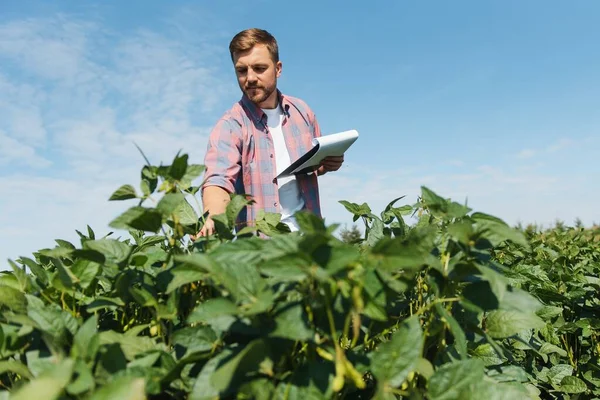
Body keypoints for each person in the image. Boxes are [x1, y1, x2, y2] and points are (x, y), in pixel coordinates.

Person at [193, 28, 344, 238]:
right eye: (242, 70)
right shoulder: (230, 126)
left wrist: (327, 164)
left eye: (259, 68)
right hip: (264, 251)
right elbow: (218, 180)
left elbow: (314, 165)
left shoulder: (302, 112)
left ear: (278, 68)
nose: (250, 78)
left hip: (310, 242)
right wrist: (212, 218)